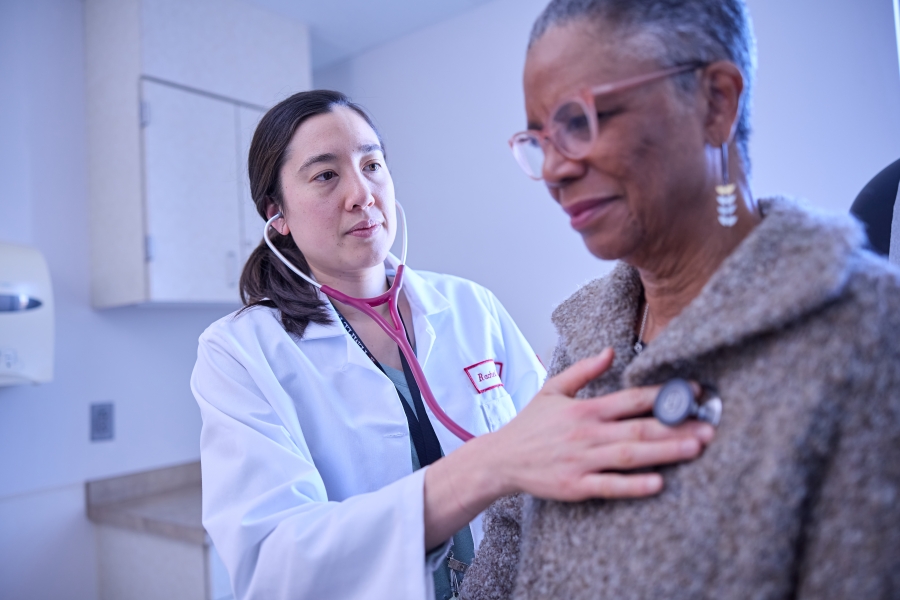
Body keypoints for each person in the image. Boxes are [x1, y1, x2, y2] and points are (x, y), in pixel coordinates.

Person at [190, 90, 714, 600]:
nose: (362, 193)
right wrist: (484, 469)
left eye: (372, 166)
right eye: (326, 175)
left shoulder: (471, 307)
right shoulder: (240, 353)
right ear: (276, 215)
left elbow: (549, 454)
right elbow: (273, 564)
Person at [461, 1, 900, 598]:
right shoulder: (581, 345)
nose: (556, 169)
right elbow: (505, 552)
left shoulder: (867, 335)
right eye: (540, 139)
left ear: (715, 102)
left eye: (581, 121)